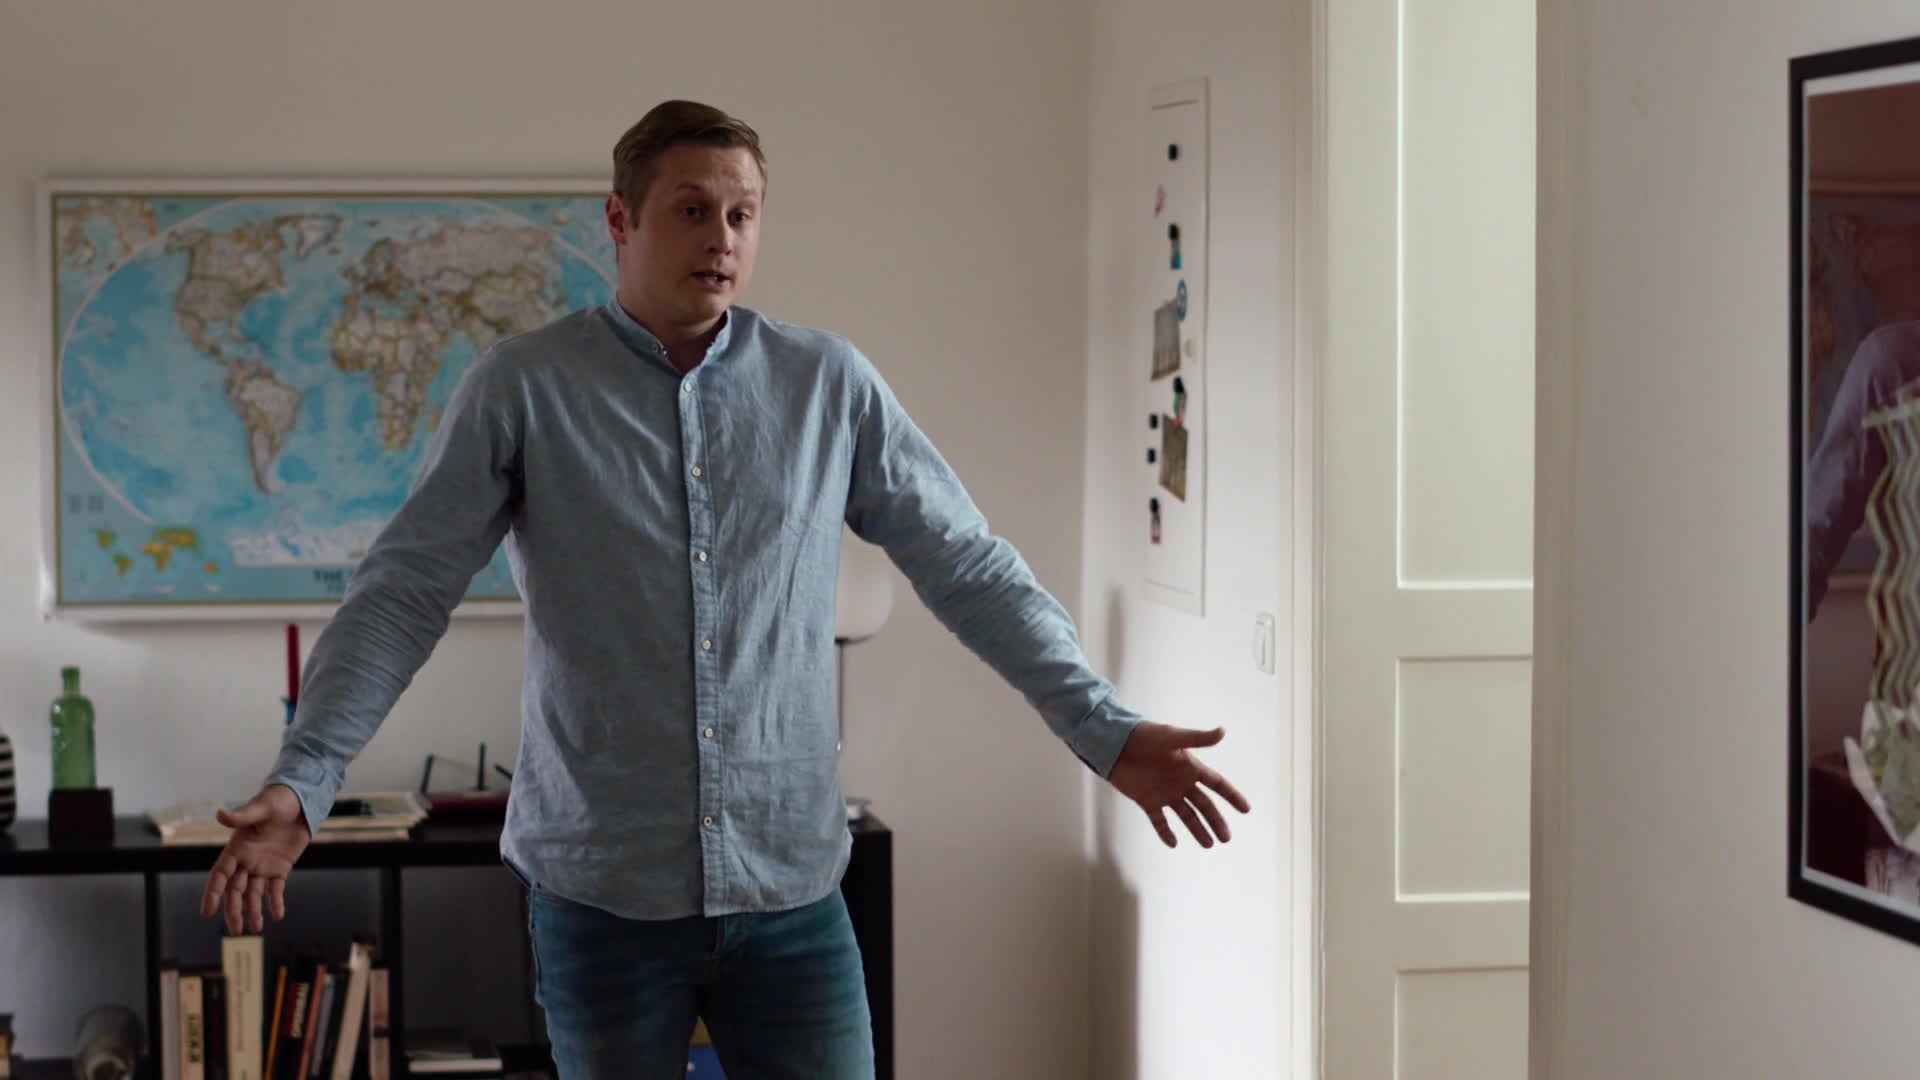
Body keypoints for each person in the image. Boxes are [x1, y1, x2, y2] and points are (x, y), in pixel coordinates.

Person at [198, 99, 1250, 1079]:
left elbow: (967, 564)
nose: (723, 239)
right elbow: (402, 594)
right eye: (692, 210)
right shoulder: (524, 389)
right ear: (621, 220)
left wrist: (1101, 726)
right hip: (600, 902)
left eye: (743, 214)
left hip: (792, 897)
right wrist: (307, 779)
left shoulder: (827, 384)